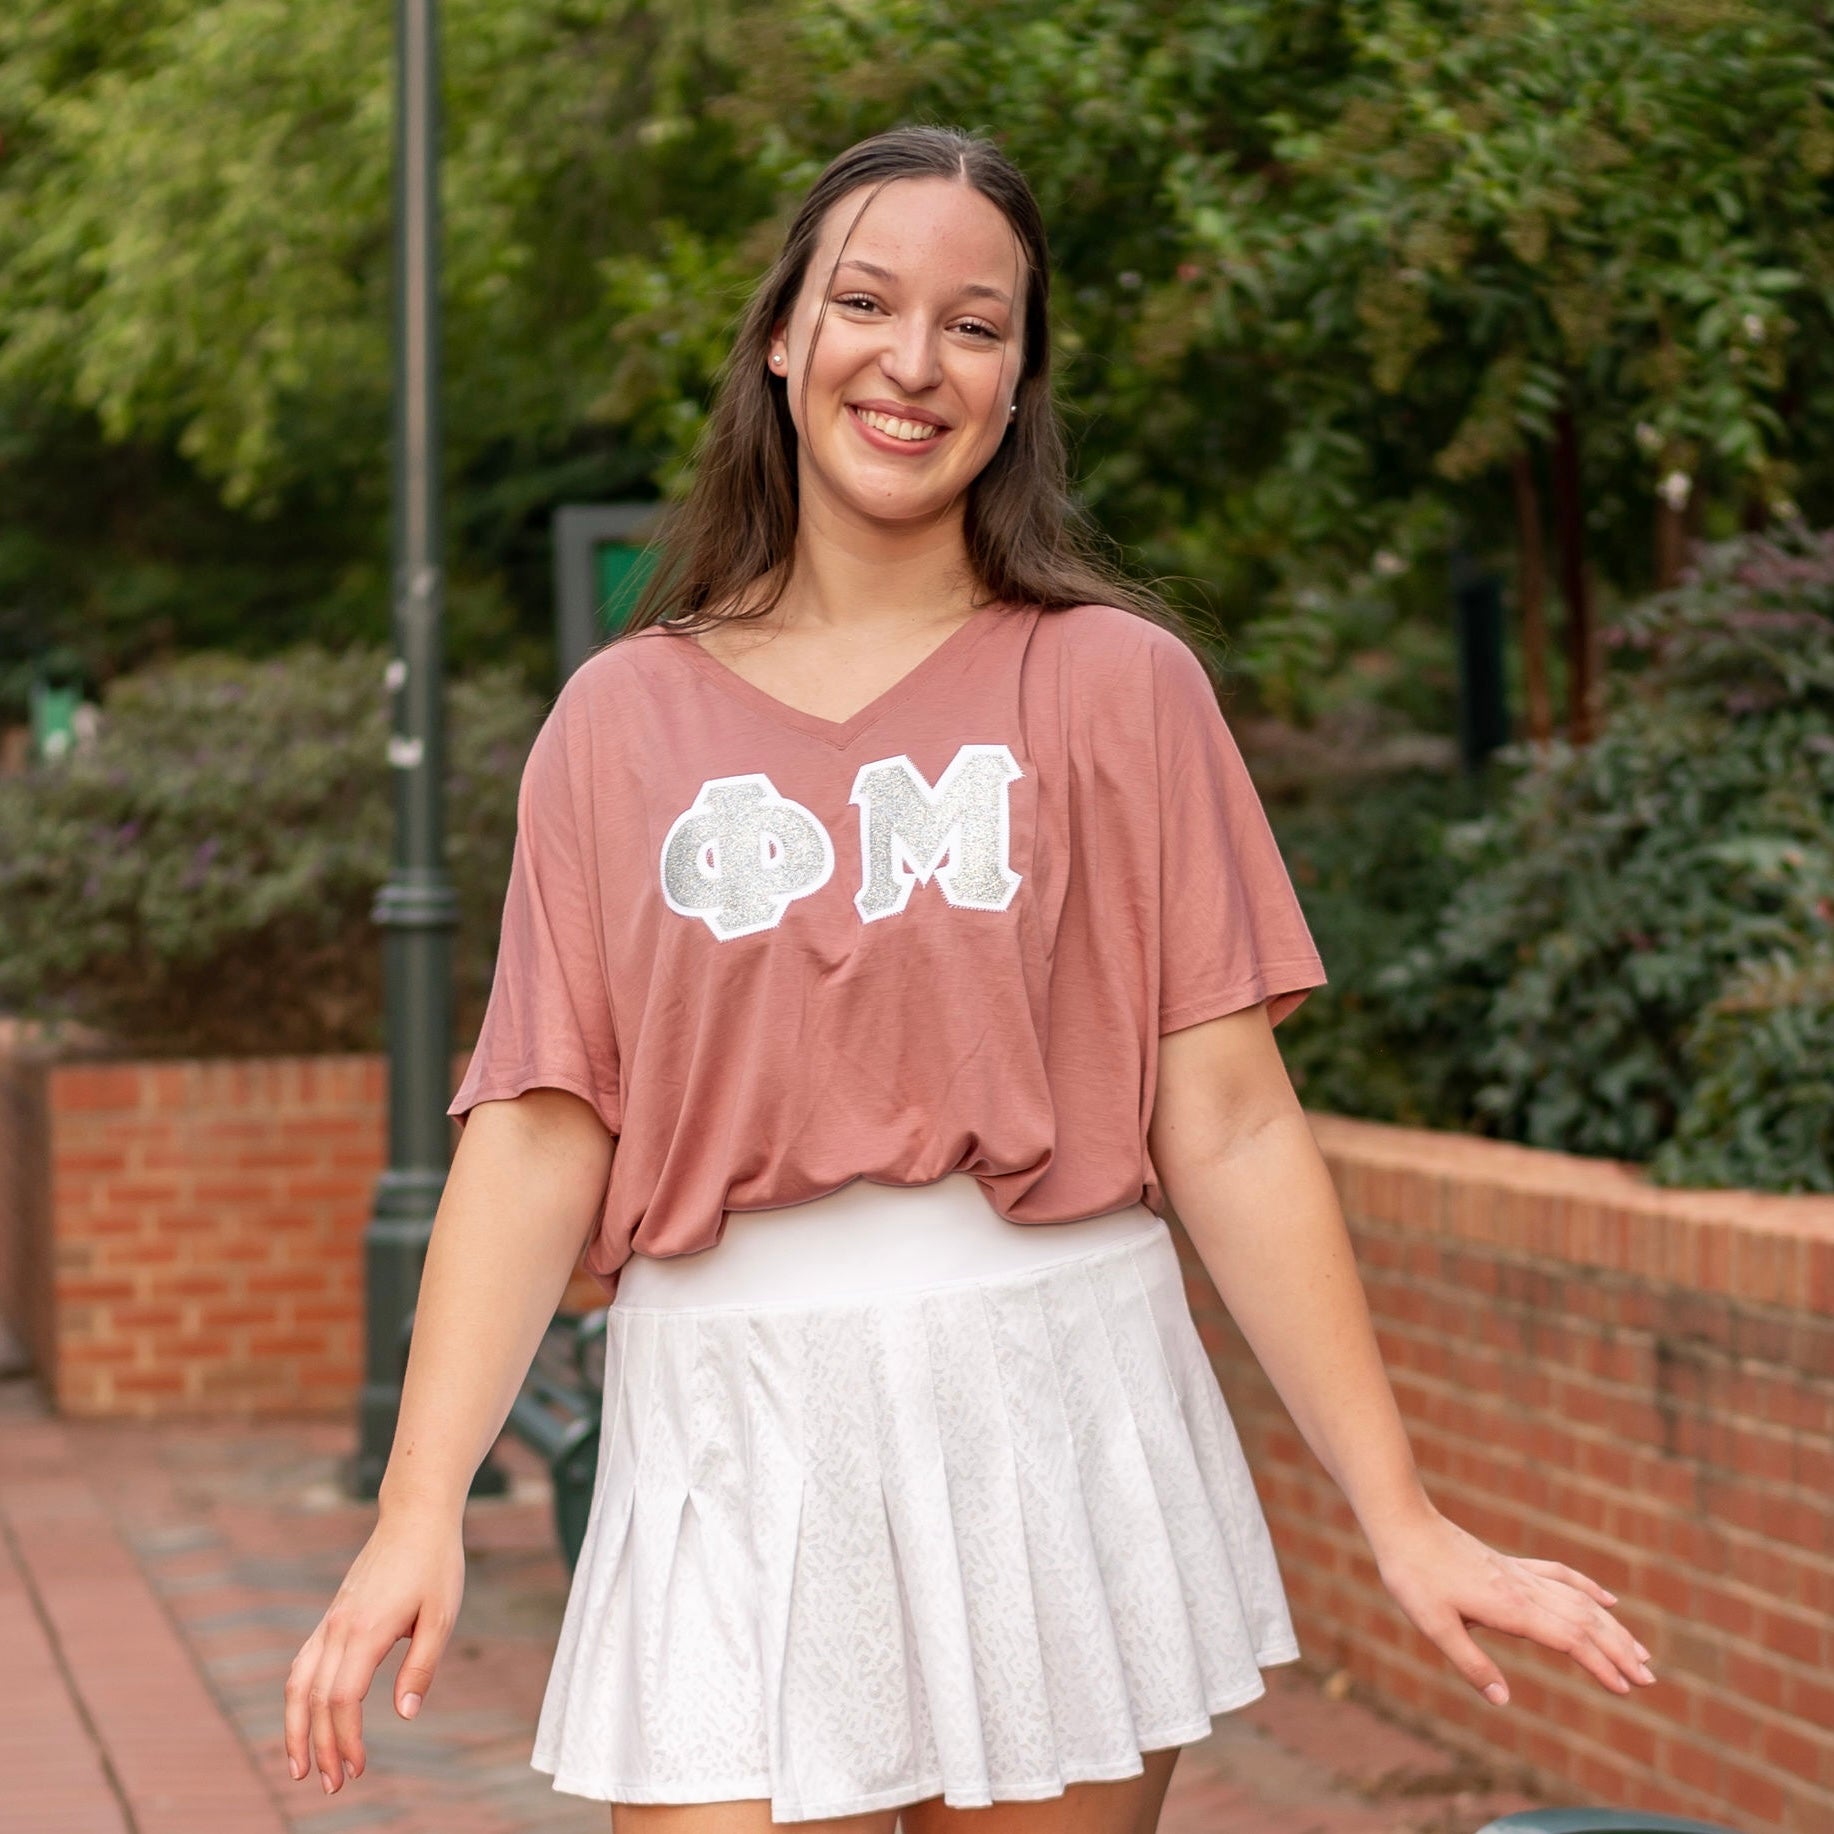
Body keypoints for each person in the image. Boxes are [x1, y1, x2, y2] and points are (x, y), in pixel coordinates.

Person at [284, 124, 1656, 1832]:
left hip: (1052, 1395)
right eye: (865, 300)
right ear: (784, 335)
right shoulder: (617, 725)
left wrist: (1402, 1514)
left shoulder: (1119, 690)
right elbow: (540, 1128)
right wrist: (419, 1505)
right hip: (731, 1411)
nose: (912, 362)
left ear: (1018, 382)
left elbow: (1226, 1125)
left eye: (975, 323)